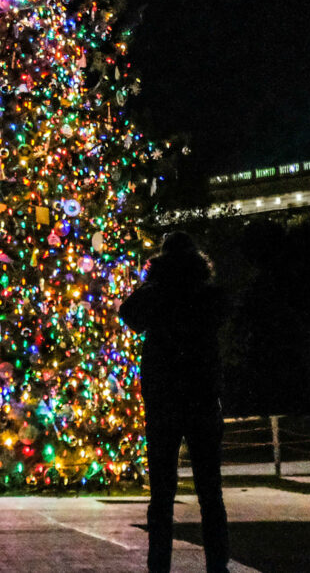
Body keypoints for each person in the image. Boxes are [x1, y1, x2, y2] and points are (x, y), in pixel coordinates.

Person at [119, 231, 230, 573]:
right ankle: (217, 564)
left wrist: (151, 281)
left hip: (164, 401)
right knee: (210, 492)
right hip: (202, 399)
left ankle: (159, 565)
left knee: (162, 495)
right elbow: (221, 317)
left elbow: (128, 314)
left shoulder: (155, 295)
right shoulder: (209, 295)